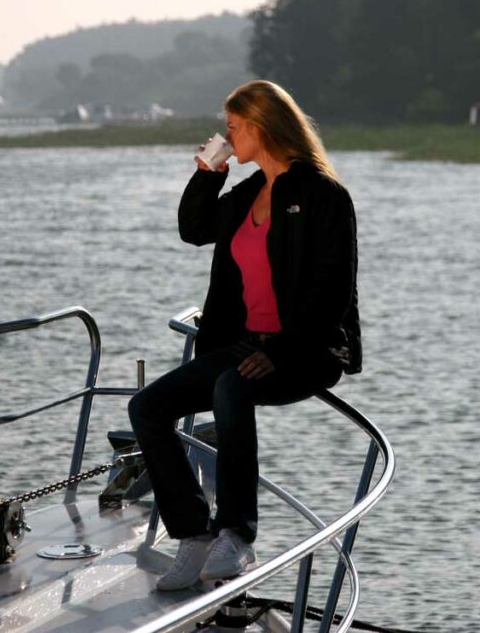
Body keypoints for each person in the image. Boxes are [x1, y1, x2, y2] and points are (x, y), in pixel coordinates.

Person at [128, 80, 361, 591]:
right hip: (244, 345)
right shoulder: (250, 193)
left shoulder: (324, 195)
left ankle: (236, 534)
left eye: (233, 128)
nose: (228, 137)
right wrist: (208, 175)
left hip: (307, 349)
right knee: (147, 407)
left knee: (231, 387)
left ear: (259, 127)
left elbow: (332, 294)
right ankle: (193, 536)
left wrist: (280, 350)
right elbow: (194, 228)